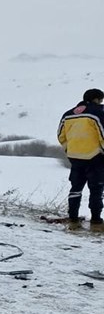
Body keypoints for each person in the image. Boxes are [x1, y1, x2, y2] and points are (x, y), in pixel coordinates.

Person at [57, 88, 104, 228]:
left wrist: (68, 149)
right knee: (96, 189)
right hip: (95, 157)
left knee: (75, 189)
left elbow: (60, 135)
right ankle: (96, 220)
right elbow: (102, 133)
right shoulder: (97, 113)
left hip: (75, 158)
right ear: (96, 99)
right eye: (101, 100)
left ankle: (73, 218)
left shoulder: (68, 114)